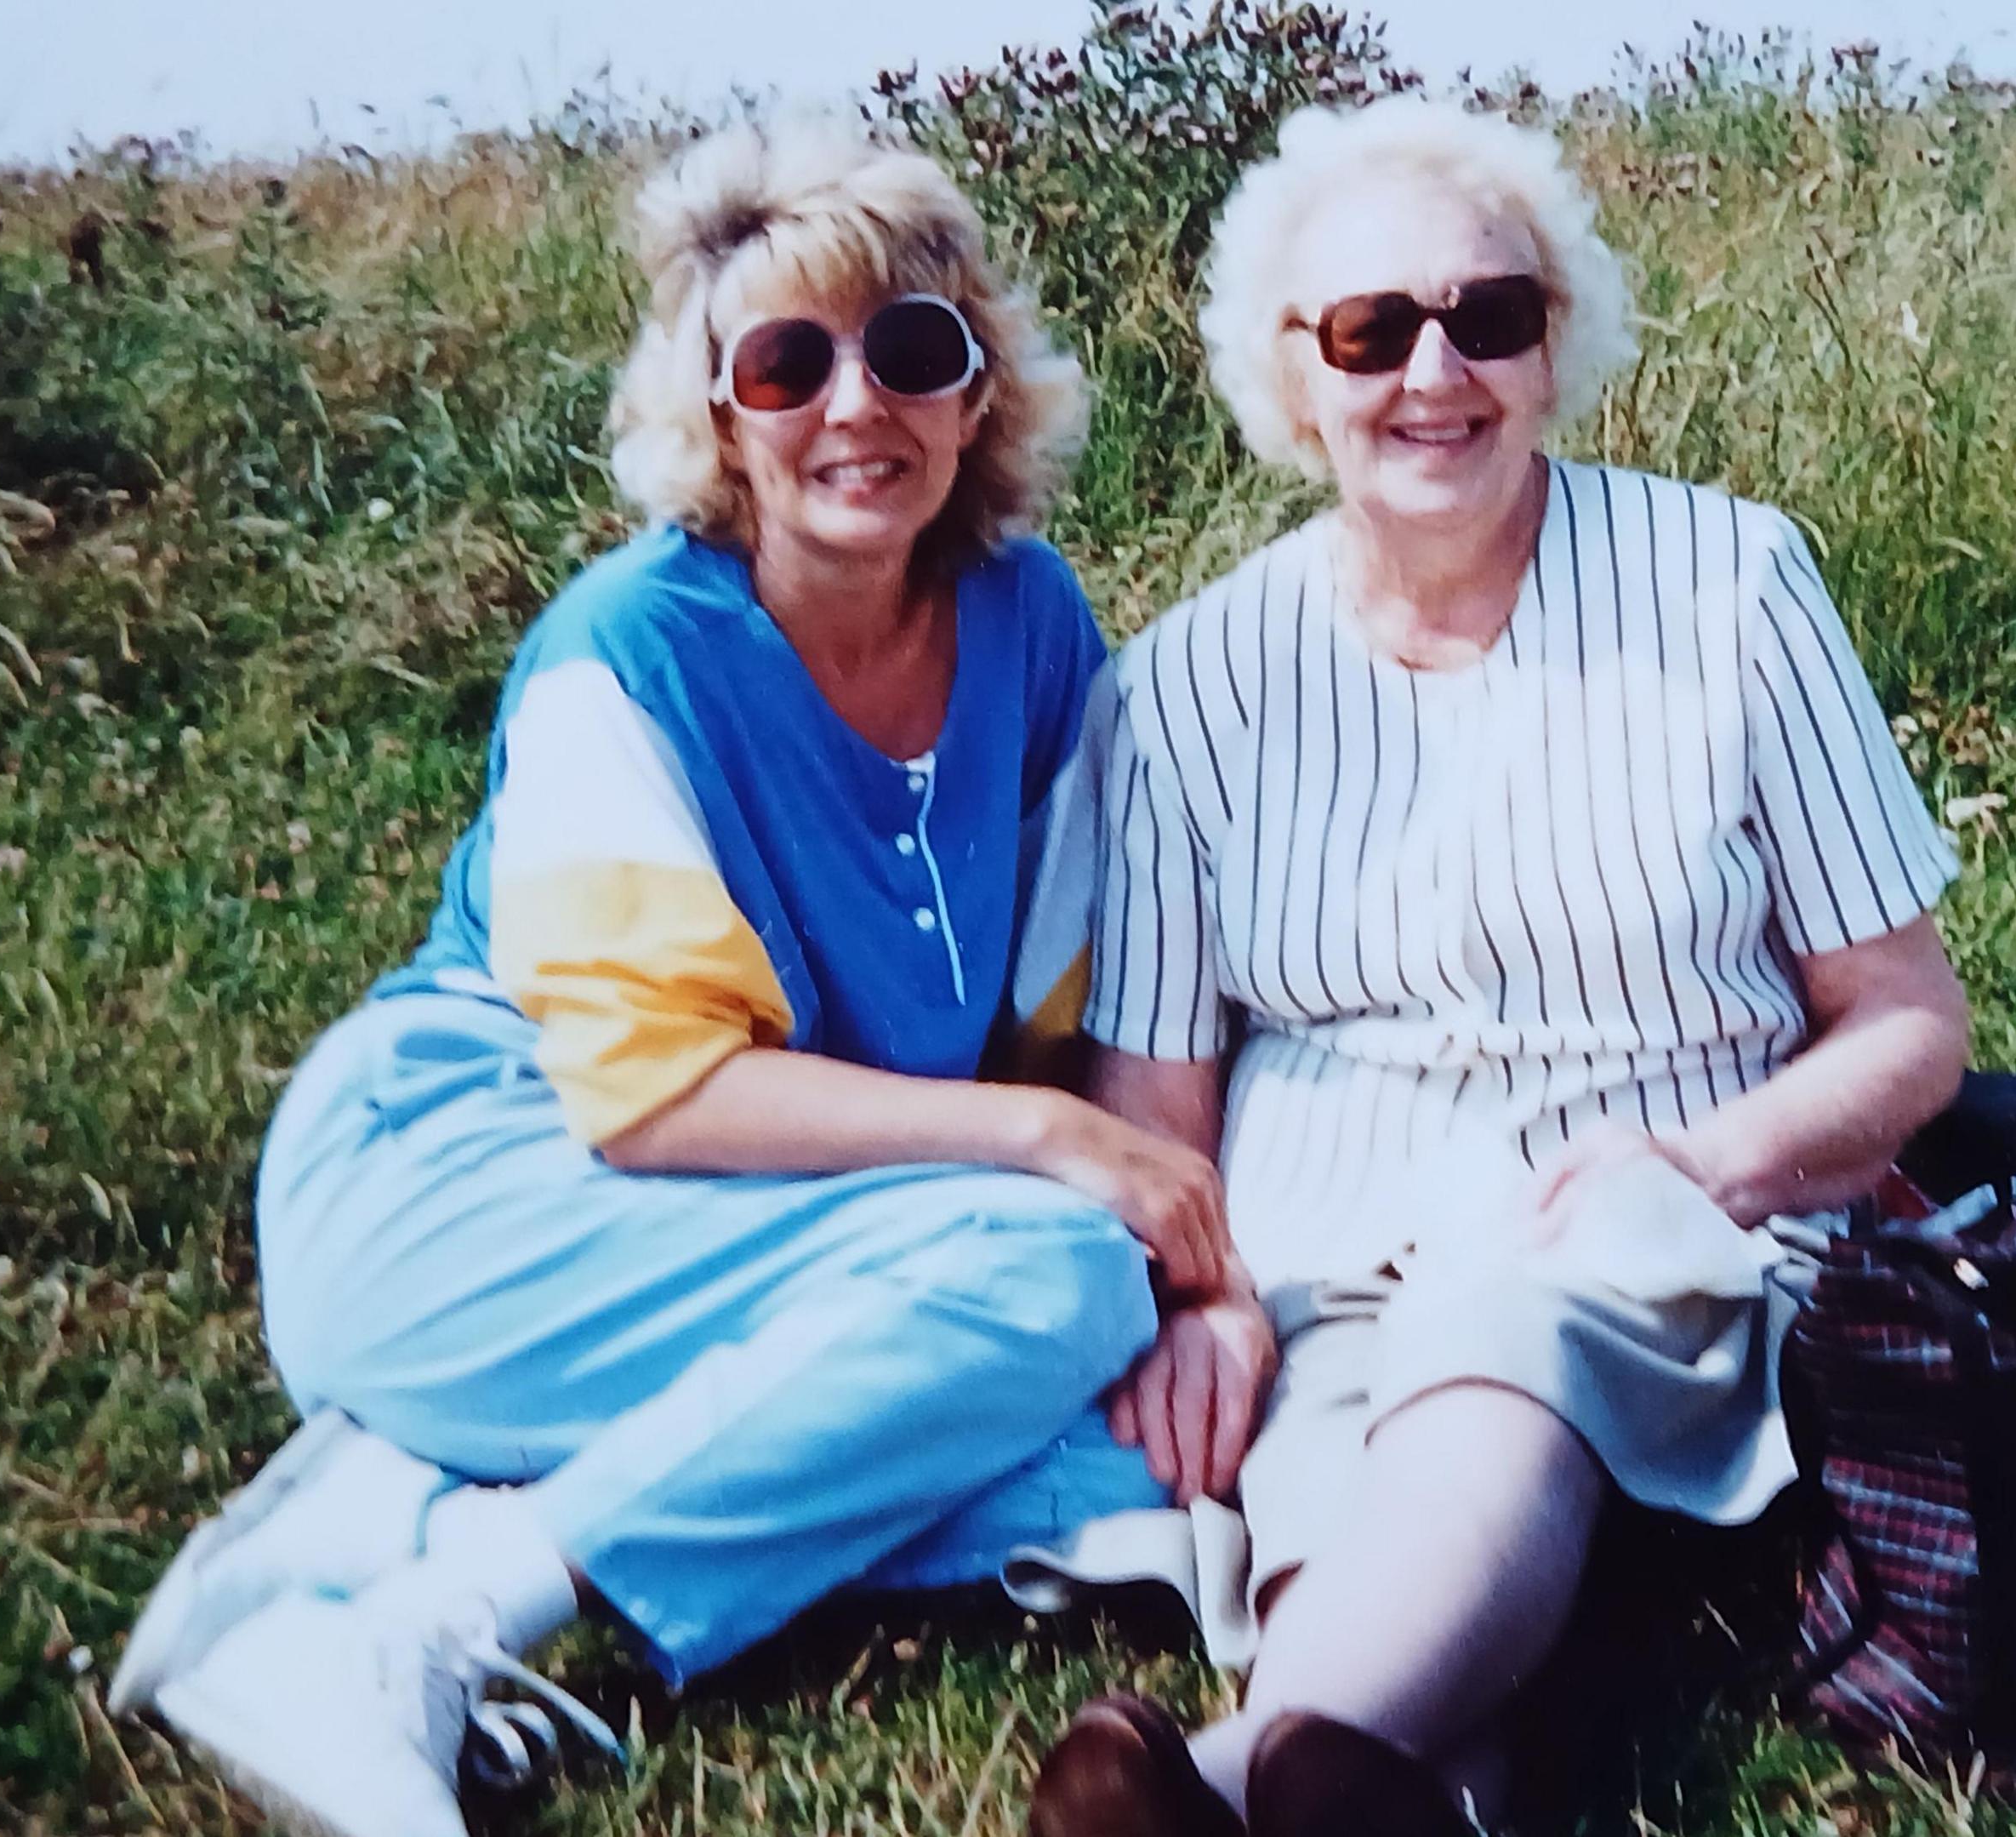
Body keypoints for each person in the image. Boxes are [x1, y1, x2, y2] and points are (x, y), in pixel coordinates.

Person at [105, 120, 1236, 1837]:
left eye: (910, 353)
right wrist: (1046, 1152)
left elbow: (1061, 1013)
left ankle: (396, 1518)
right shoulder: (626, 654)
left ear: (975, 391)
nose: (855, 408)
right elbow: (651, 1097)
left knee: (1129, 1423)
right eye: (789, 363)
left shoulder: (1030, 622)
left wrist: (1182, 1258)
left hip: (768, 1215)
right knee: (1054, 1288)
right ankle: (437, 1617)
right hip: (465, 1192)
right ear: (718, 410)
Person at [1026, 98, 1975, 1837]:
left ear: (1556, 351)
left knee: (1498, 1336)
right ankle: (1380, 1807)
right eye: (1373, 332)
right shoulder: (1185, 690)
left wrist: (1704, 1161)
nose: (1434, 372)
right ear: (1295, 381)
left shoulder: (1731, 589)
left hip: (1659, 1240)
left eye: (1490, 315)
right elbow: (1156, 1103)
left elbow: (1909, 1025)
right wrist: (1215, 1298)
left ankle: (1215, 1787)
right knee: (1349, 1541)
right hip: (1330, 1278)